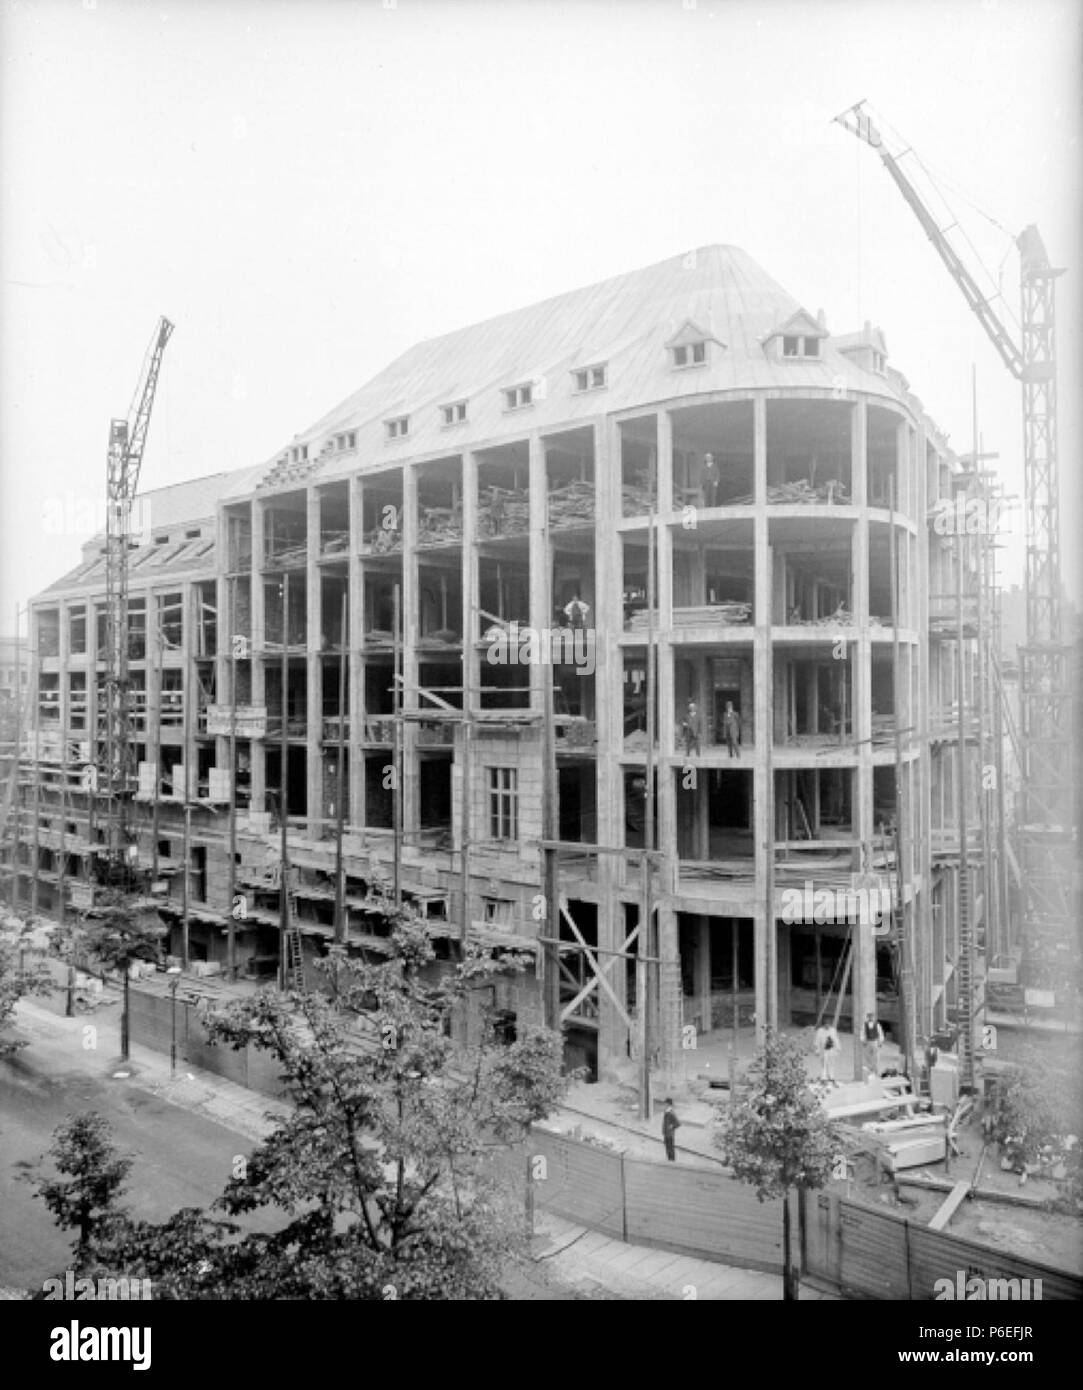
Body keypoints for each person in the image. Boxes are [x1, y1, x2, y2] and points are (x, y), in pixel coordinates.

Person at [862, 1011, 884, 1078]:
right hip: (868, 1041)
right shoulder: (865, 1025)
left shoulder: (877, 1025)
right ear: (867, 1017)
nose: (870, 1018)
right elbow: (862, 1033)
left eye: (872, 1016)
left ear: (874, 1017)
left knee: (876, 1057)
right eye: (869, 1017)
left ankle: (876, 1072)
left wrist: (880, 1041)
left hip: (875, 1041)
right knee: (867, 1057)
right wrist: (863, 1040)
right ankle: (869, 1072)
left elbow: (880, 1033)